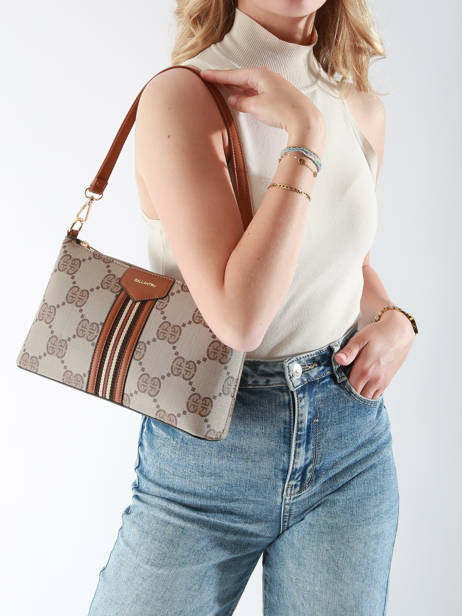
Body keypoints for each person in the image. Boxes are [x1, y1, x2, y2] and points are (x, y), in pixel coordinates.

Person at [88, 1, 418, 614]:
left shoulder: (360, 108)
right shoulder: (183, 98)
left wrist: (395, 320)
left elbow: (350, 265)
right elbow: (240, 319)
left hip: (349, 442)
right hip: (206, 450)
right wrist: (305, 136)